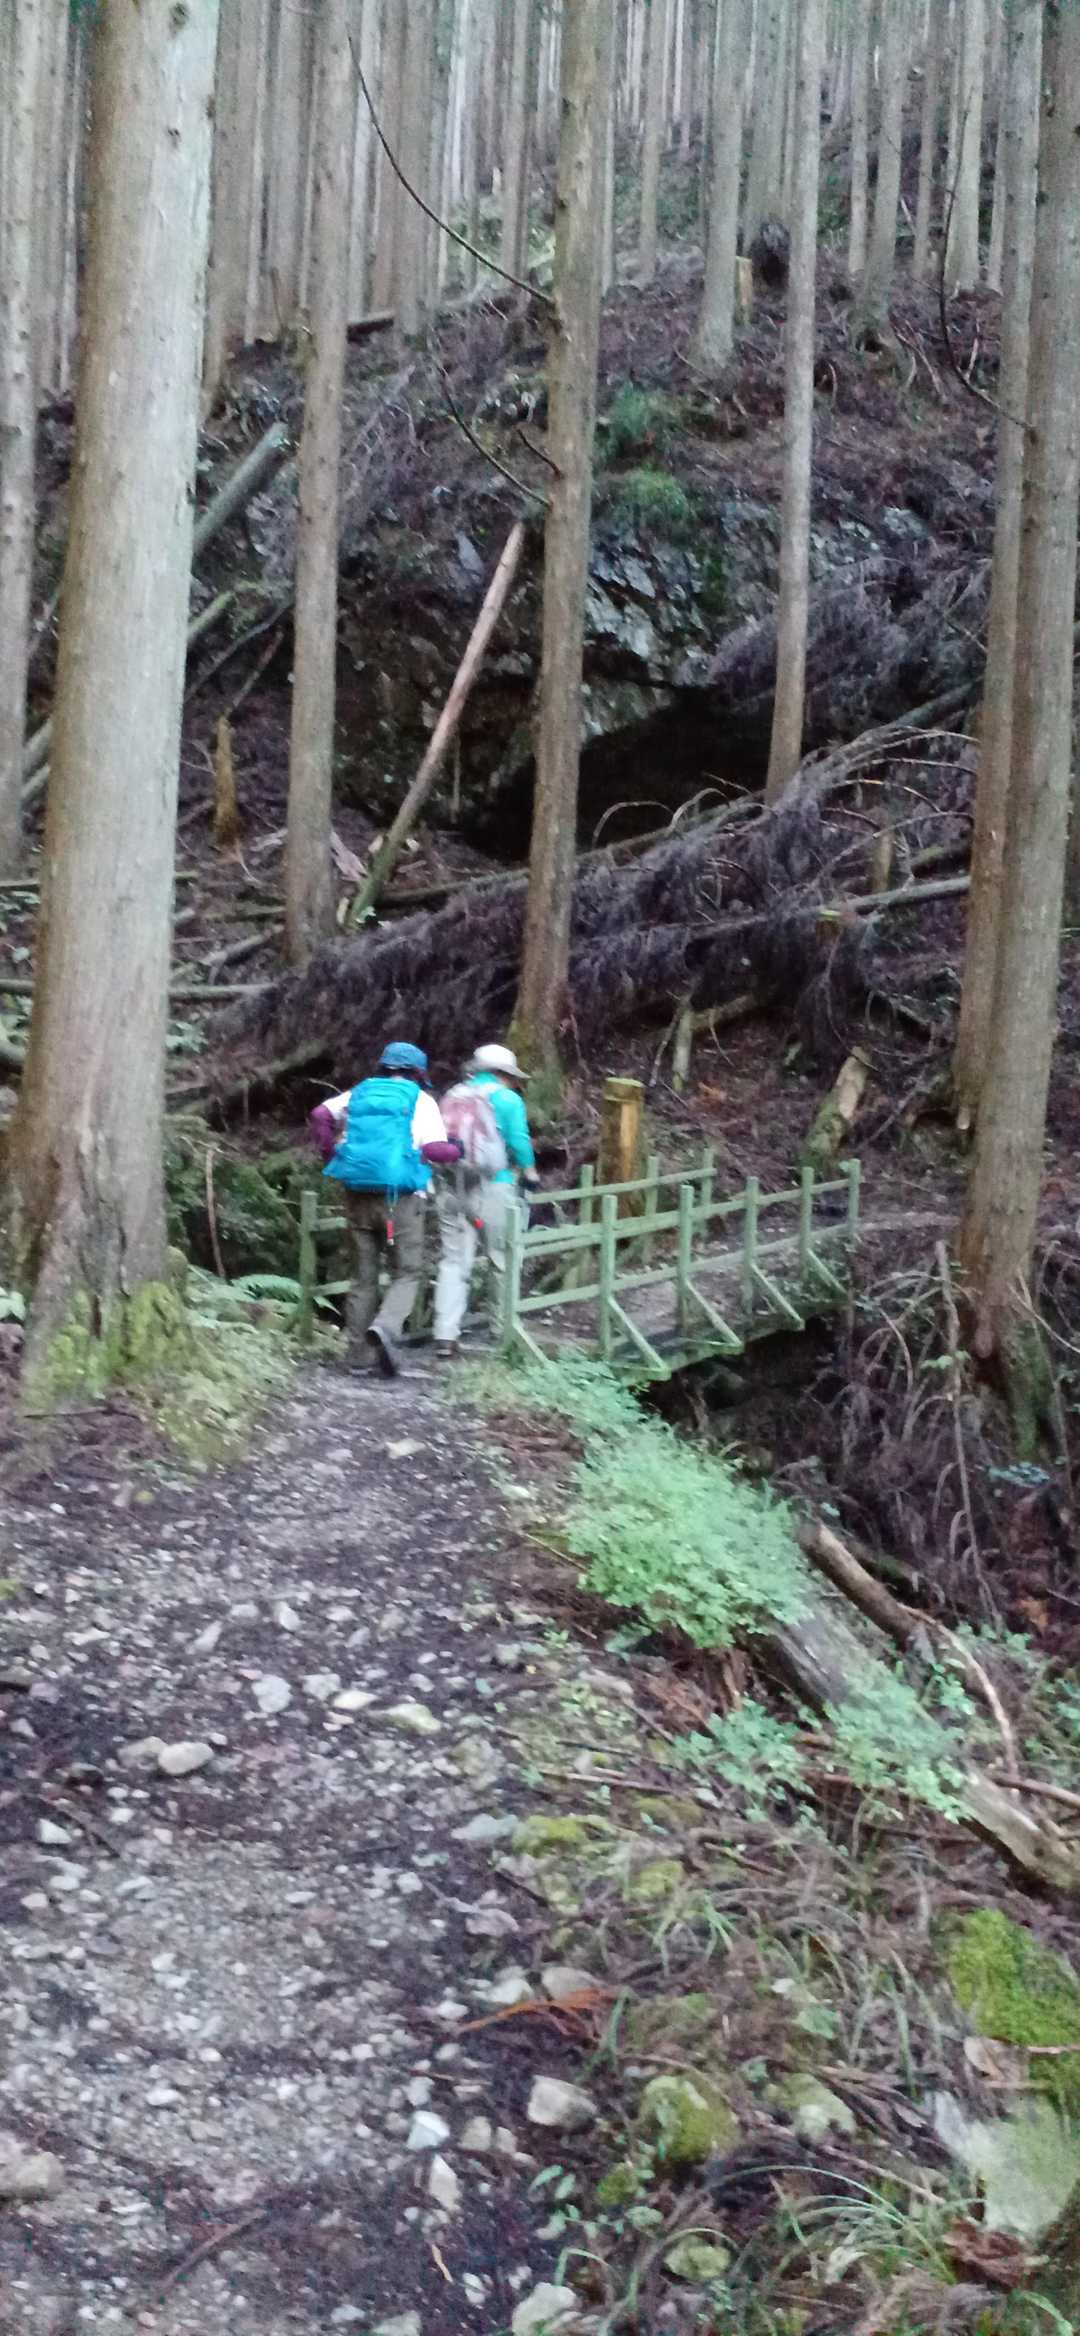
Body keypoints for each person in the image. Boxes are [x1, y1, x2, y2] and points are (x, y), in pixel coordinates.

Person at [309, 1042, 459, 1378]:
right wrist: (457, 1150)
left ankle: (357, 1358)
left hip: (357, 1194)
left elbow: (320, 1115)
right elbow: (436, 1150)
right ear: (418, 1073)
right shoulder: (421, 1100)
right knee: (408, 1271)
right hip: (401, 1199)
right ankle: (386, 1327)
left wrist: (330, 1155)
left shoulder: (359, 1092)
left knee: (362, 1278)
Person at [433, 1042, 539, 1360]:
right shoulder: (506, 1099)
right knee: (502, 1258)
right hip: (494, 1186)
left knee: (453, 1262)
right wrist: (530, 1172)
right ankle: (502, 1330)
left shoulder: (452, 1095)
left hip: (452, 1186)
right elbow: (518, 1140)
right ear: (502, 1073)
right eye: (512, 1076)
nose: (515, 1082)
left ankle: (445, 1335)